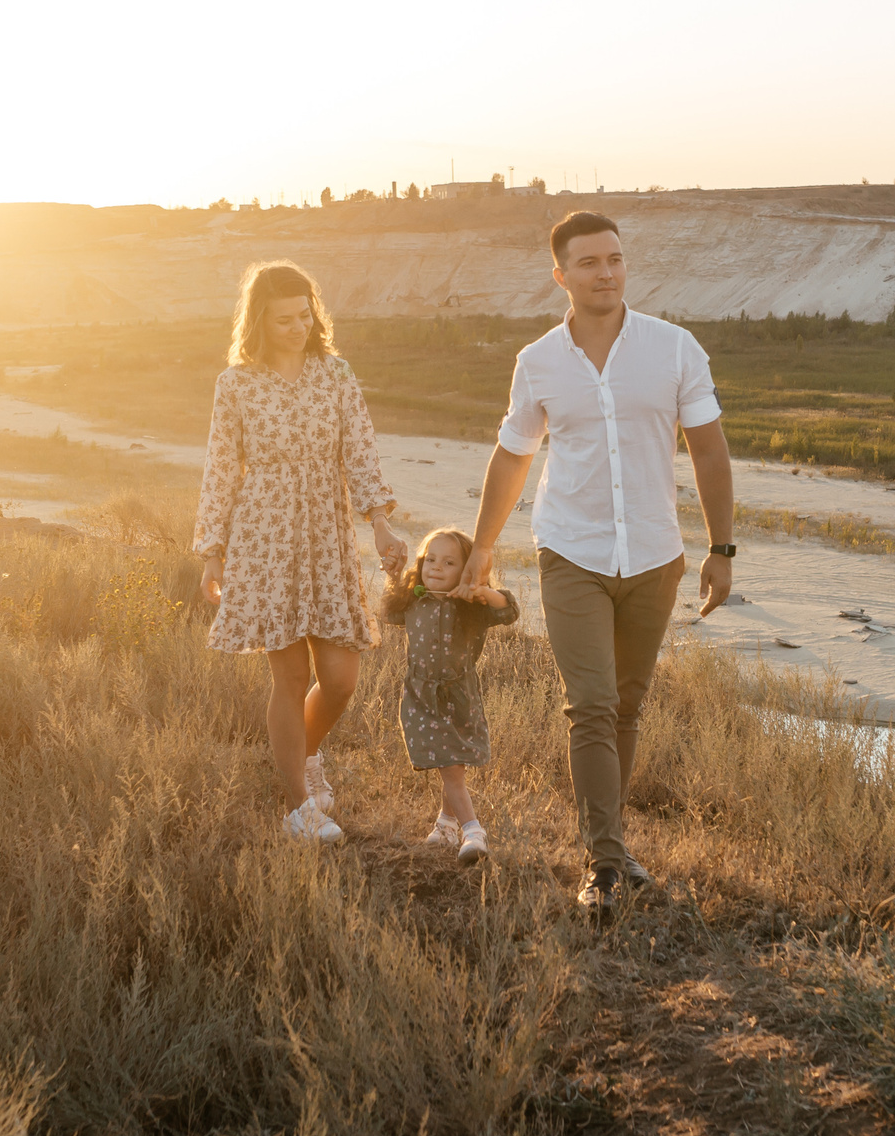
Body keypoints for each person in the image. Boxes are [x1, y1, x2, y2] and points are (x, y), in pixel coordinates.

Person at [463, 211, 736, 915]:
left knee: (627, 705)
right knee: (590, 703)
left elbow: (709, 449)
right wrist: (483, 547)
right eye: (588, 262)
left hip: (654, 553)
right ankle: (604, 864)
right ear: (561, 275)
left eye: (614, 258)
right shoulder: (538, 361)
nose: (606, 272)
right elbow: (513, 456)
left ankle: (609, 843)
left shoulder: (674, 348)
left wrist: (721, 548)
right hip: (571, 550)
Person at [193, 261, 407, 843]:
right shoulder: (236, 384)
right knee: (288, 676)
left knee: (340, 678)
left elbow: (360, 450)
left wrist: (380, 524)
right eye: (284, 319)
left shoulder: (335, 374)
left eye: (304, 315)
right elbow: (220, 469)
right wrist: (212, 551)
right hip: (264, 537)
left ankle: (304, 755)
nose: (297, 327)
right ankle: (299, 809)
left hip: (327, 534)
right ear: (259, 321)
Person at [380, 527, 518, 864]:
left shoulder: (471, 606)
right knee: (449, 766)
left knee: (453, 762)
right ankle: (473, 831)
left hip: (460, 693)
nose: (436, 567)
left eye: (449, 562)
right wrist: (394, 576)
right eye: (430, 560)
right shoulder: (414, 599)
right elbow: (387, 612)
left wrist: (481, 589)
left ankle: (445, 824)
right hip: (422, 695)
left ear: (466, 569)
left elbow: (509, 610)